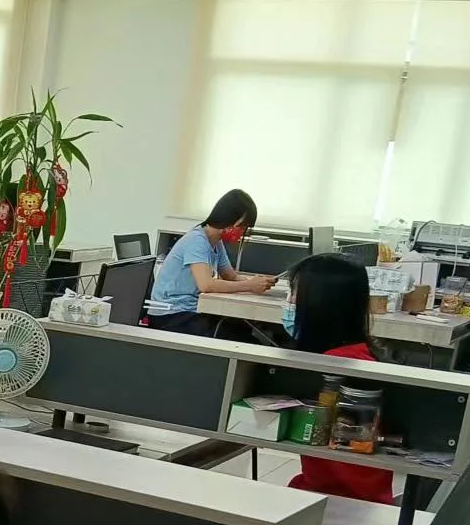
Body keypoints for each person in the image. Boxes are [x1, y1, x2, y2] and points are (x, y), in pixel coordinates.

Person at [281, 252, 394, 505]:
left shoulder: (339, 367)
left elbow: (344, 474)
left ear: (321, 301)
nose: (290, 300)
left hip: (342, 499)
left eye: (296, 292)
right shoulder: (354, 353)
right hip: (334, 490)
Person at [148, 188, 275, 337]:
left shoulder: (215, 241)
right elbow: (206, 285)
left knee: (241, 330)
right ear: (229, 219)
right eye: (242, 226)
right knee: (237, 337)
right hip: (171, 315)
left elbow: (230, 276)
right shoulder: (197, 240)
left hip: (191, 310)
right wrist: (249, 286)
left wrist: (256, 282)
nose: (242, 232)